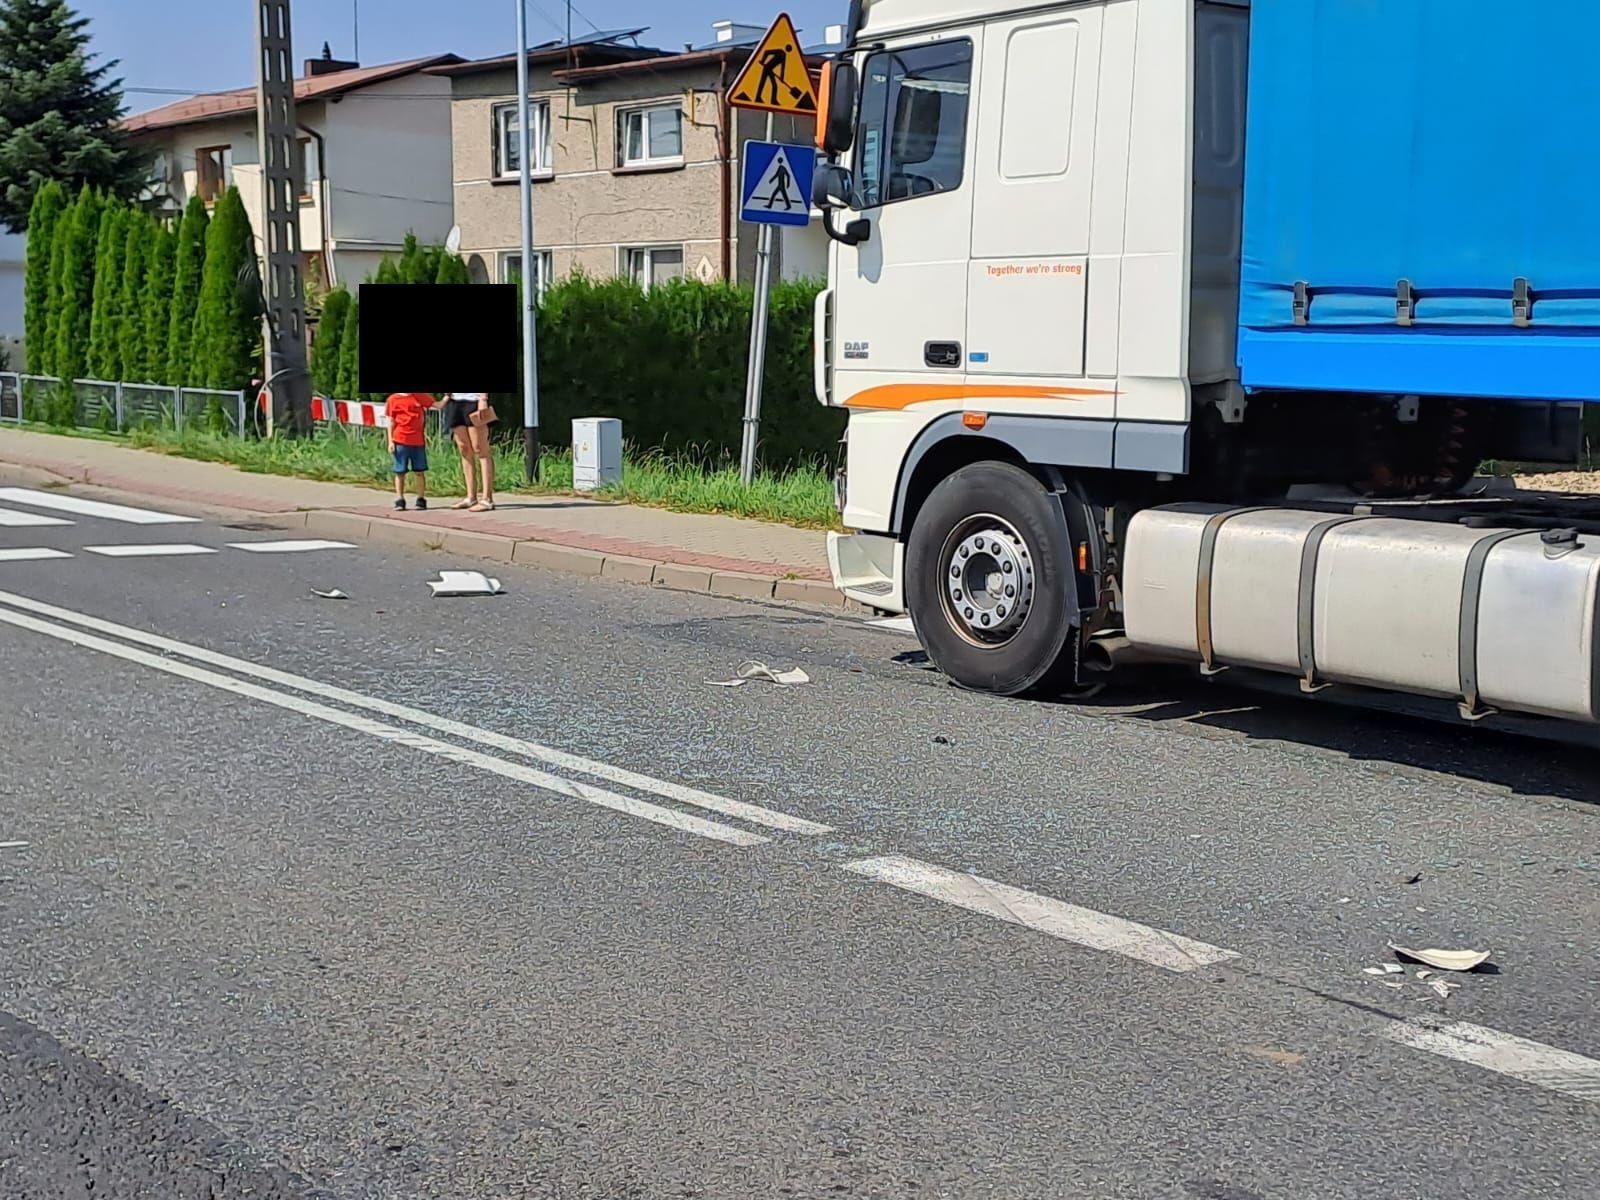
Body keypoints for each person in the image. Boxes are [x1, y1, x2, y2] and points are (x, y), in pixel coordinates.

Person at [443, 392, 497, 512]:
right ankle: (470, 497)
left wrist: (483, 398)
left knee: (480, 448)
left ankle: (487, 498)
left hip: (474, 401)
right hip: (454, 401)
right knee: (464, 448)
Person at [385, 391, 435, 511]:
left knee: (419, 471)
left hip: (418, 441)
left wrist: (448, 396)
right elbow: (391, 421)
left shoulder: (419, 396)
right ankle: (399, 499)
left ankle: (421, 498)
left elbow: (436, 405)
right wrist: (391, 441)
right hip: (400, 439)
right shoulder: (393, 399)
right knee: (400, 471)